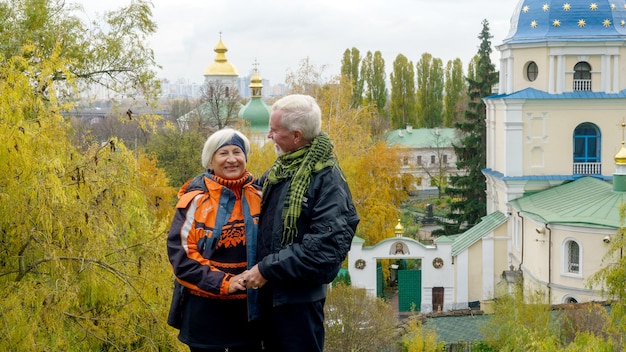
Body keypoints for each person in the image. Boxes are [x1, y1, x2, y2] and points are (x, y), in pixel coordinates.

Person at [243, 94, 360, 352]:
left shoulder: (327, 180)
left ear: (296, 136)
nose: (269, 136)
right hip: (270, 301)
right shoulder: (282, 170)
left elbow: (324, 253)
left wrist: (266, 269)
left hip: (298, 309)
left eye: (274, 130)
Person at [166, 128, 263, 352]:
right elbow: (181, 257)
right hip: (205, 316)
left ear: (245, 158)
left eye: (237, 152)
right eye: (223, 153)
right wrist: (225, 283)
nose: (231, 159)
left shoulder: (260, 196)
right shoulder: (194, 201)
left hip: (251, 316)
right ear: (210, 160)